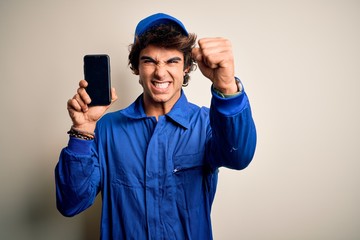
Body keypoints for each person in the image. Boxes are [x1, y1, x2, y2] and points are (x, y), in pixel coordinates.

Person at [55, 12, 257, 239]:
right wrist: (82, 131)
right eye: (149, 61)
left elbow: (239, 157)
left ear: (186, 68)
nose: (160, 72)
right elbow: (71, 203)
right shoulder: (105, 129)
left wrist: (227, 86)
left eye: (172, 61)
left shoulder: (207, 124)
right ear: (135, 68)